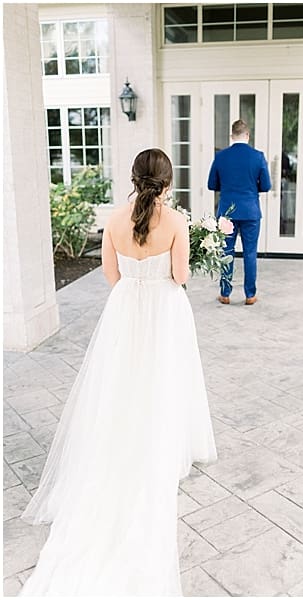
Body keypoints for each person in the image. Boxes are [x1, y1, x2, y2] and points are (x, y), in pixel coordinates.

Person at [19, 148, 218, 595]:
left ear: (133, 179)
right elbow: (182, 275)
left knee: (122, 384)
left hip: (125, 308)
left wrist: (138, 282)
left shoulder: (111, 218)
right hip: (166, 310)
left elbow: (111, 275)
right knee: (165, 383)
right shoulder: (176, 223)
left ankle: (123, 439)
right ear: (168, 183)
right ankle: (162, 444)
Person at [207, 119, 270, 305]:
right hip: (251, 211)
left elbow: (212, 184)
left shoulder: (221, 156)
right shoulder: (258, 156)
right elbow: (266, 186)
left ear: (231, 136)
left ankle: (225, 294)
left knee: (226, 252)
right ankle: (250, 295)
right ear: (247, 136)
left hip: (227, 212)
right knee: (250, 253)